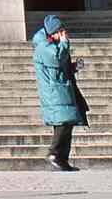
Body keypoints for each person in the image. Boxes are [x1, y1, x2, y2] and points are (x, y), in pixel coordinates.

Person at [31, 13, 89, 171]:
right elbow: (56, 60)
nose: (63, 34)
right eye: (60, 31)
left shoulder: (51, 44)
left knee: (67, 123)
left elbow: (59, 66)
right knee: (62, 123)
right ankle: (54, 154)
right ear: (52, 32)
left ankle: (62, 158)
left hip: (61, 90)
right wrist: (64, 43)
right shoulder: (43, 46)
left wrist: (72, 67)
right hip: (54, 92)